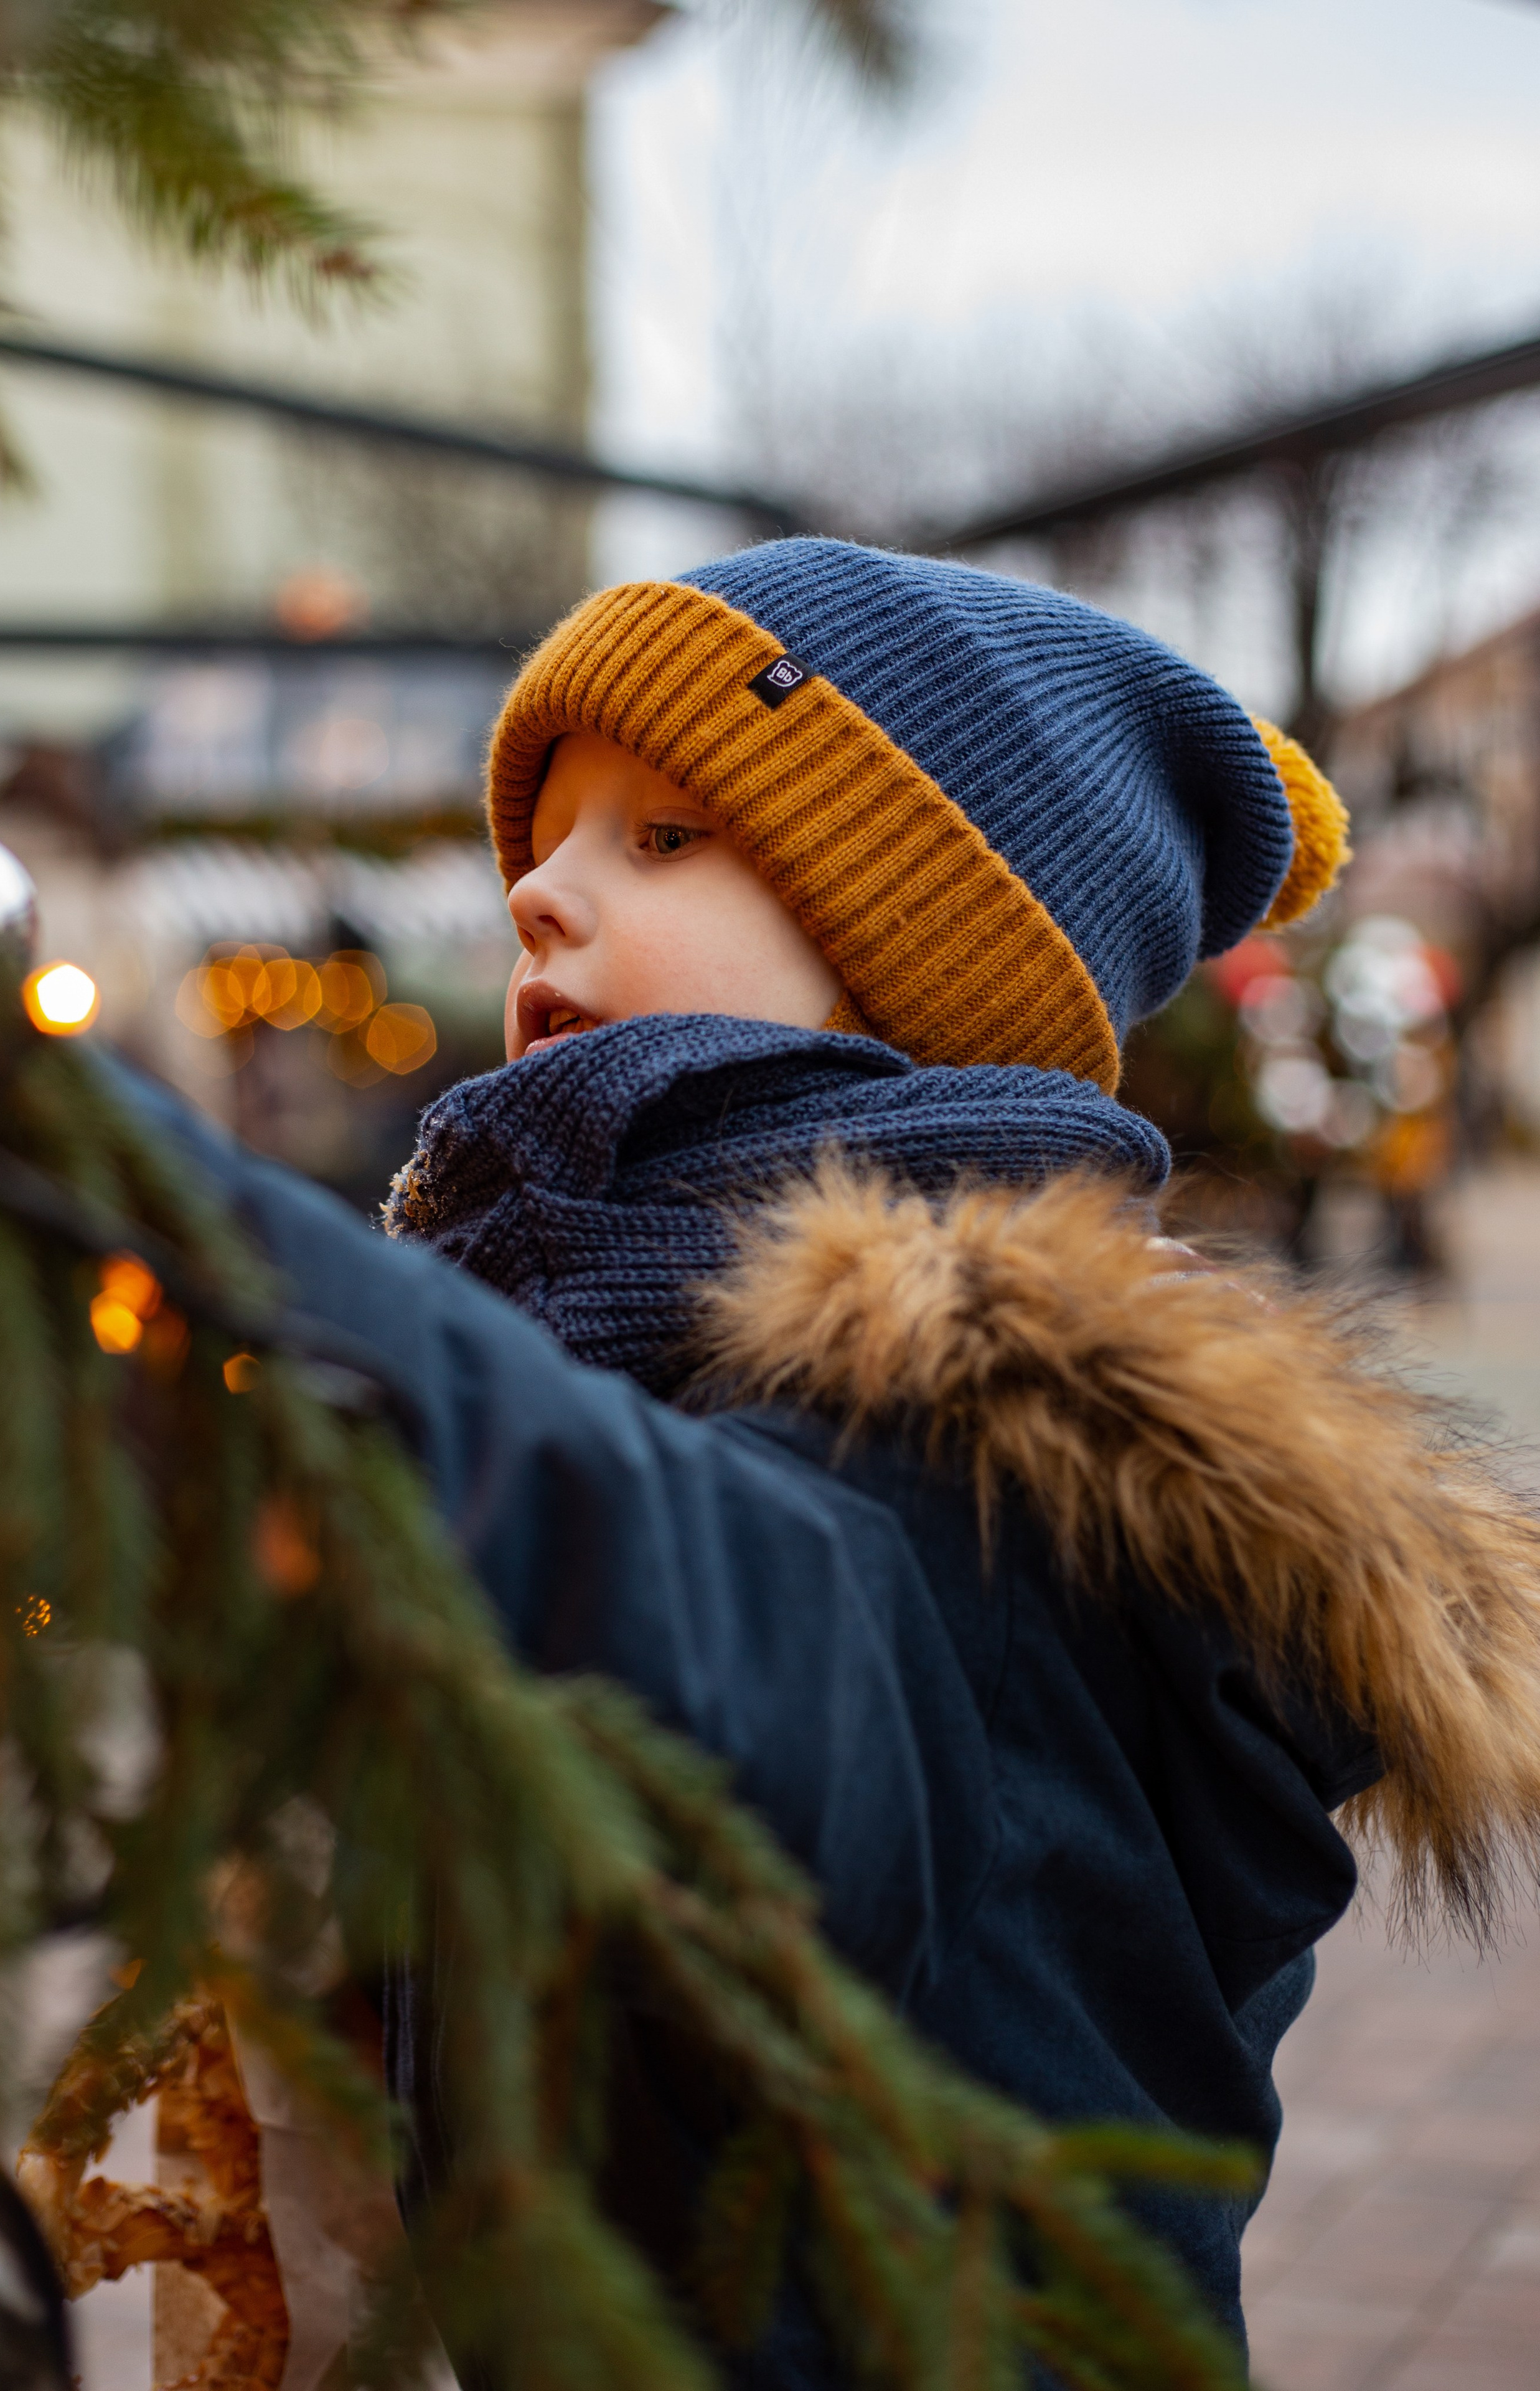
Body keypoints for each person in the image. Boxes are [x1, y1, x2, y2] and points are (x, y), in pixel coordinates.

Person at [133, 539, 1540, 2378]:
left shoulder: (990, 1440)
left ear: (912, 969)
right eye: (542, 847)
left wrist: (162, 1222)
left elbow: (742, 1651)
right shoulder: (611, 1343)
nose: (541, 895)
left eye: (665, 836)